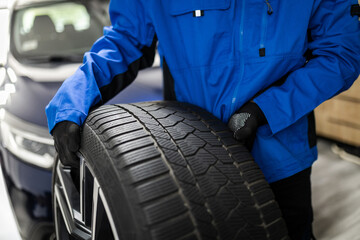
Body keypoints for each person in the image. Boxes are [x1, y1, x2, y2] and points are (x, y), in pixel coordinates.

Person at [46, 0, 360, 239]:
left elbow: (341, 55)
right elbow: (125, 40)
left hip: (282, 161)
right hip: (190, 159)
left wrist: (266, 109)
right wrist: (73, 99)